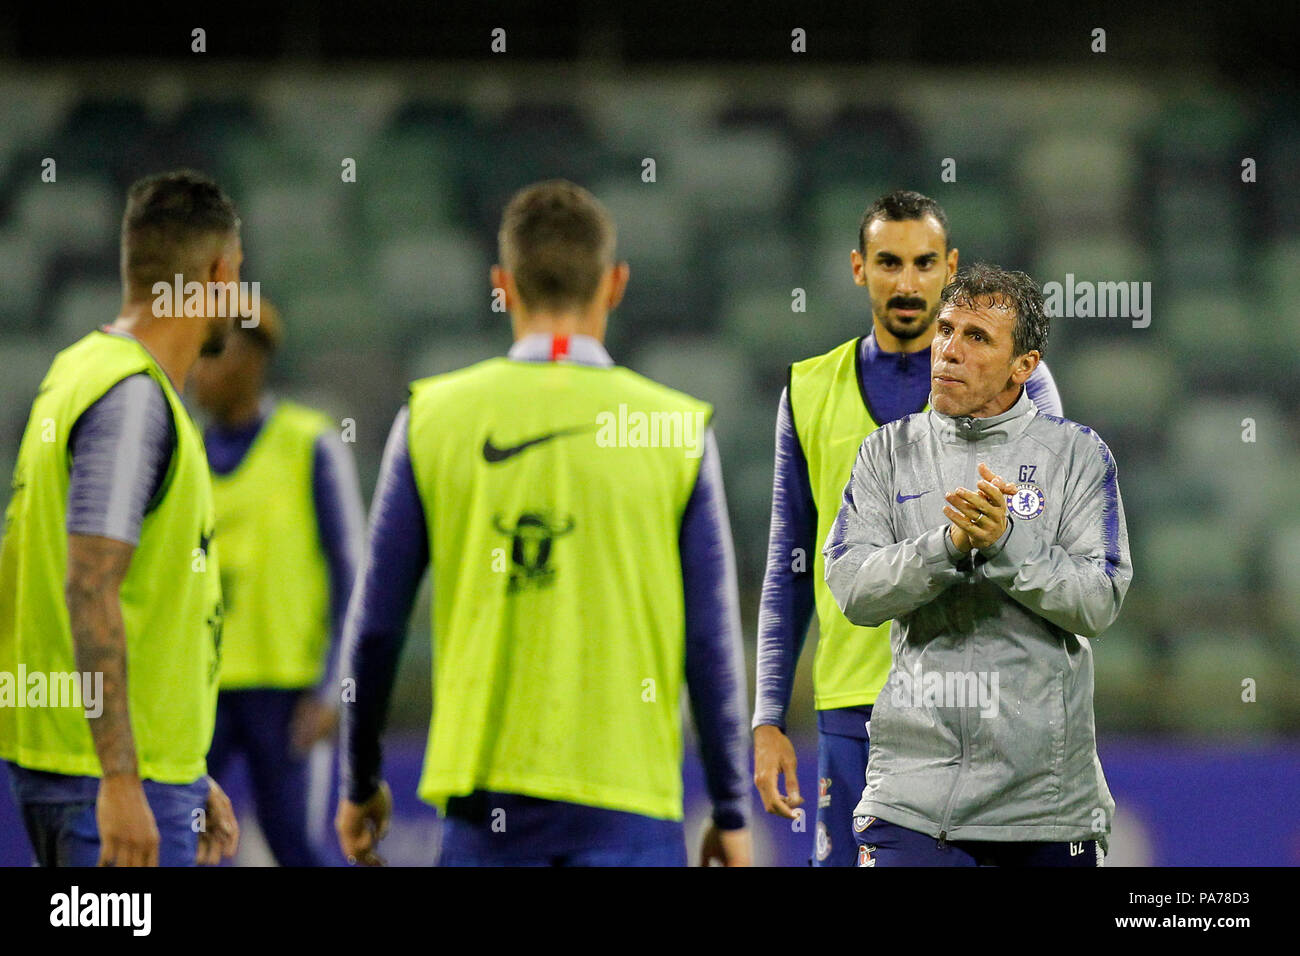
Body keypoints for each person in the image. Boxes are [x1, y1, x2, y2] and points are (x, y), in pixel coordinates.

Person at [335, 180, 752, 867]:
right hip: (630, 807)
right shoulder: (677, 429)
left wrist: (358, 782)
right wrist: (731, 808)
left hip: (486, 810)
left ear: (503, 284)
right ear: (614, 284)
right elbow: (709, 645)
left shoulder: (431, 418)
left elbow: (376, 628)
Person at [752, 189, 1064, 865]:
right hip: (854, 709)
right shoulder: (808, 391)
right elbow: (790, 563)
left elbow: (1055, 522)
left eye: (924, 264)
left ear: (949, 269)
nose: (907, 282)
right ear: (859, 268)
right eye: (888, 262)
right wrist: (768, 718)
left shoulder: (1018, 383)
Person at [824, 263, 1132, 866]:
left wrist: (1006, 543)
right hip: (912, 798)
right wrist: (946, 549)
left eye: (977, 337)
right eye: (945, 330)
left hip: (1045, 807)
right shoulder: (887, 452)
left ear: (1024, 366)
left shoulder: (1076, 455)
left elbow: (1098, 600)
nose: (949, 351)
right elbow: (854, 589)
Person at [0, 170, 242, 866]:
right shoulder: (133, 402)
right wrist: (125, 780)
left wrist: (183, 777)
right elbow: (88, 586)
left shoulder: (78, 371)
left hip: (97, 770)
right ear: (218, 272)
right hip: (99, 781)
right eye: (240, 278)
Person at [190, 299, 364, 866]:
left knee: (299, 847)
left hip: (287, 694)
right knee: (175, 841)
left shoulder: (309, 444)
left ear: (256, 356)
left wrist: (332, 687)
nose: (198, 366)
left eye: (214, 350)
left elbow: (352, 573)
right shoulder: (180, 455)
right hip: (199, 694)